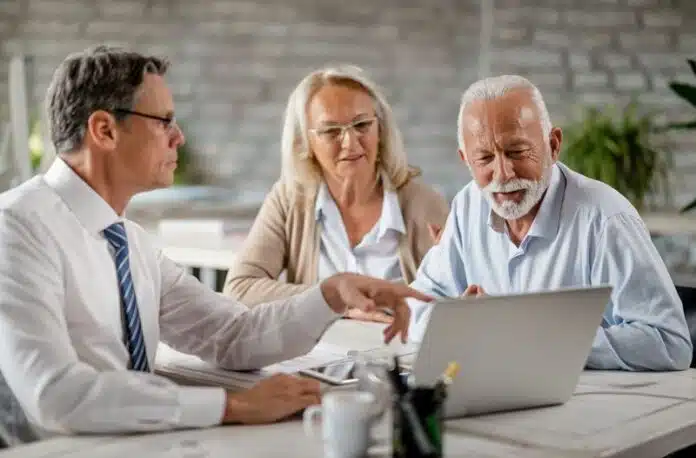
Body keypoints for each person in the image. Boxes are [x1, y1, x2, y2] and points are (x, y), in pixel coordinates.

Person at [0, 45, 432, 441]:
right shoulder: (16, 227)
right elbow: (55, 394)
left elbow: (233, 335)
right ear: (104, 130)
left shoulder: (129, 241)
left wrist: (333, 294)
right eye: (164, 121)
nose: (179, 137)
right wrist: (233, 406)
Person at [407, 74, 692, 371]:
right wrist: (458, 322)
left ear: (553, 145)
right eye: (484, 158)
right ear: (465, 159)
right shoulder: (468, 205)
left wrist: (531, 336)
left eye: (517, 152)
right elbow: (418, 304)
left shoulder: (606, 219)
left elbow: (669, 343)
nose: (502, 174)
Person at [222, 65, 448, 323]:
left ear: (381, 131)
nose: (351, 143)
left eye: (362, 125)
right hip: (318, 357)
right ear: (305, 143)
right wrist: (337, 300)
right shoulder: (290, 199)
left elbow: (452, 301)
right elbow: (240, 289)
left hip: (397, 356)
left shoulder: (424, 203)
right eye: (331, 131)